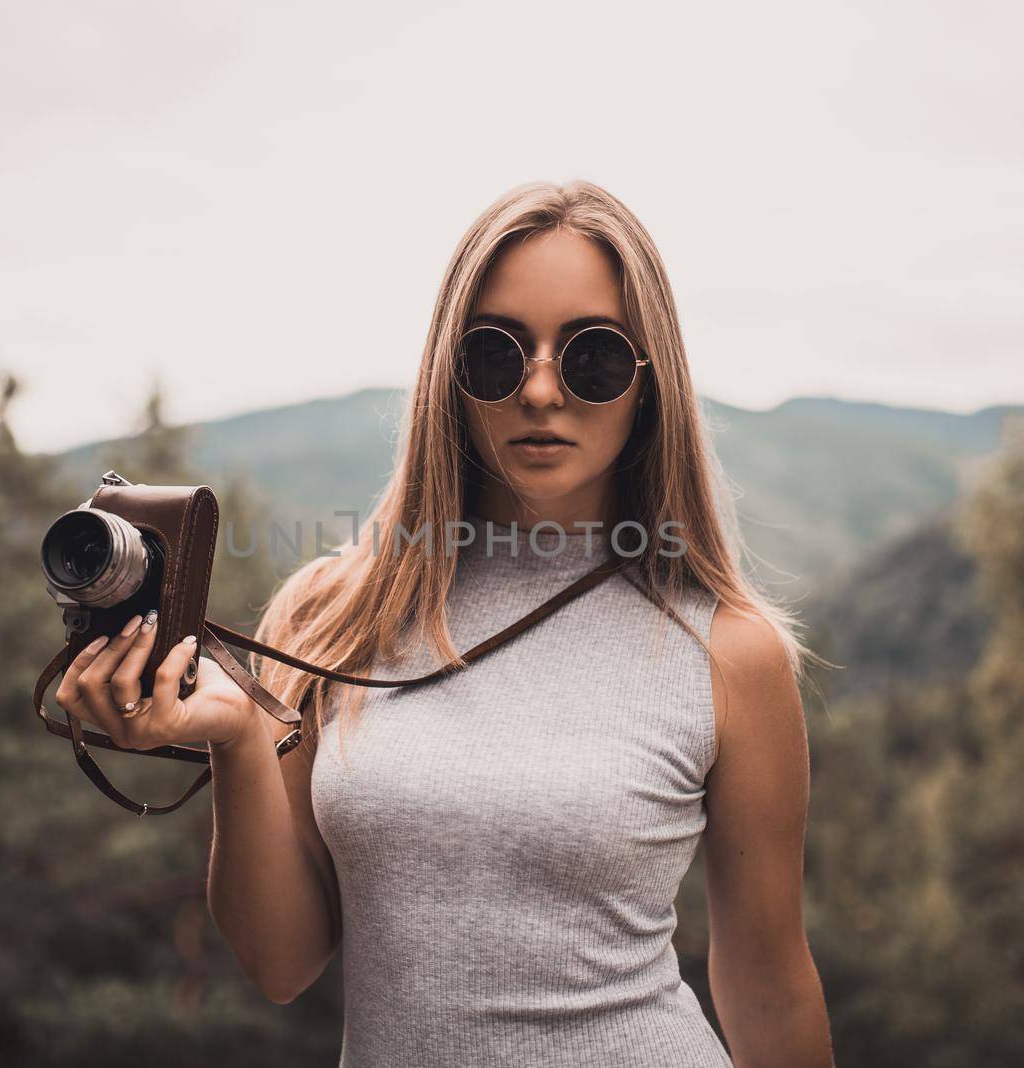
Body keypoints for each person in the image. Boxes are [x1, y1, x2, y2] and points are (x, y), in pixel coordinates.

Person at [54, 181, 836, 1067]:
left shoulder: (728, 652)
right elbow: (280, 962)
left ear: (652, 383)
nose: (541, 389)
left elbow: (768, 986)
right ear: (449, 376)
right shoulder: (332, 616)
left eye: (595, 358)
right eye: (497, 354)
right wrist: (237, 741)